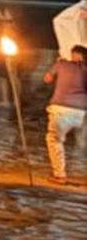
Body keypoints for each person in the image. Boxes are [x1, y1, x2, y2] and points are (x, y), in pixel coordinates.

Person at [40, 44, 87, 184]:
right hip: (82, 111)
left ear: (73, 54)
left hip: (61, 109)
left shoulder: (61, 64)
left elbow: (47, 78)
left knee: (55, 140)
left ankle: (59, 175)